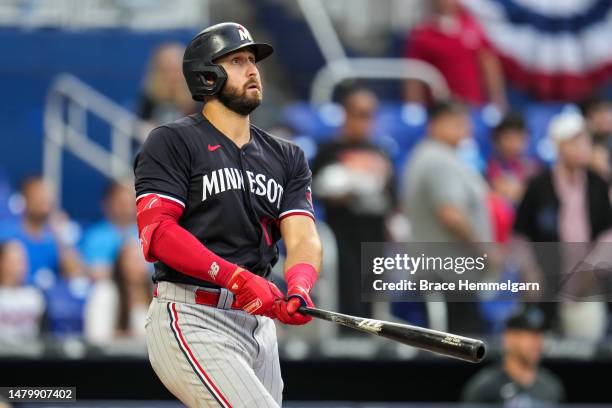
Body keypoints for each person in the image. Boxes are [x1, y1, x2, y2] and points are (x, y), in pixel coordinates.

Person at [134, 22, 322, 407]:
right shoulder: (172, 140)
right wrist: (236, 278)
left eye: (253, 60)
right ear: (207, 75)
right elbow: (158, 234)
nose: (252, 70)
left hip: (258, 323)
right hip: (191, 313)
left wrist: (300, 284)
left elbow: (302, 236)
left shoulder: (288, 156)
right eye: (237, 61)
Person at [514, 110, 612, 337]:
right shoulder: (539, 185)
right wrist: (529, 271)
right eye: (573, 142)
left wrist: (592, 269)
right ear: (559, 146)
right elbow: (520, 234)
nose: (580, 148)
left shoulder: (597, 184)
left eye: (584, 141)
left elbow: (608, 233)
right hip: (545, 284)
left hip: (585, 286)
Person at [402, 100, 492, 333]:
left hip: (440, 271)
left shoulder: (425, 156)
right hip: (448, 276)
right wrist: (484, 249)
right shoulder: (438, 160)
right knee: (461, 348)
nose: (464, 129)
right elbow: (450, 214)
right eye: (456, 123)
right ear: (435, 124)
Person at [311, 87, 396, 320]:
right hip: (342, 231)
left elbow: (392, 195)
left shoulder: (380, 152)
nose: (365, 121)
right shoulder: (328, 151)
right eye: (359, 113)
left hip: (374, 230)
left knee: (372, 291)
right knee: (346, 287)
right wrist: (335, 193)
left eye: (369, 114)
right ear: (346, 114)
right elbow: (312, 190)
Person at [403, 0, 506, 109]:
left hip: (473, 108)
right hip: (442, 110)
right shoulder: (422, 36)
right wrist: (415, 110)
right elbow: (414, 78)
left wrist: (498, 101)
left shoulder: (473, 25)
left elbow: (489, 63)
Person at [462, 306, 565, 405]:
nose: (536, 343)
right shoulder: (485, 388)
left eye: (540, 336)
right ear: (509, 338)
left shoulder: (551, 387)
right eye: (530, 336)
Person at [85, 239, 151, 345]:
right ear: (121, 264)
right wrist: (128, 337)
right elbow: (96, 335)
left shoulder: (155, 295)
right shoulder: (105, 292)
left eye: (144, 261)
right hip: (112, 359)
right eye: (135, 260)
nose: (142, 266)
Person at [79, 181, 138, 280]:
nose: (126, 208)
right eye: (121, 203)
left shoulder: (148, 233)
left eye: (130, 202)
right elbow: (93, 271)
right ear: (107, 203)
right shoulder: (95, 236)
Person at [138, 42, 197, 126]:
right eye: (167, 70)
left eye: (177, 70)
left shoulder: (198, 99)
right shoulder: (150, 99)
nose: (172, 77)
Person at [0, 240, 45, 348]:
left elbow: (42, 333)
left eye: (23, 261)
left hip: (29, 358)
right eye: (14, 261)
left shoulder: (35, 296)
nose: (21, 267)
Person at [487, 113, 537, 206]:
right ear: (498, 140)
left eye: (519, 138)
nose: (514, 144)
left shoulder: (532, 167)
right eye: (509, 138)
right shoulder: (490, 165)